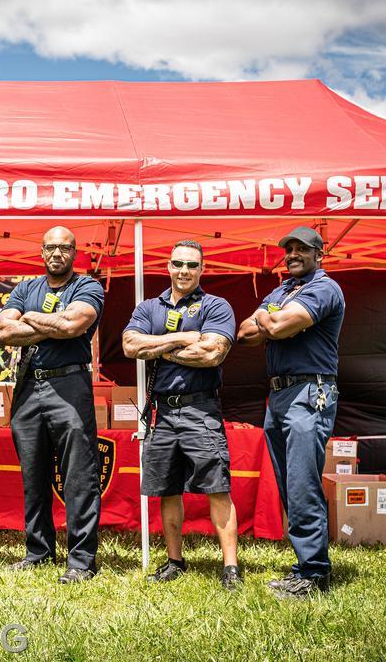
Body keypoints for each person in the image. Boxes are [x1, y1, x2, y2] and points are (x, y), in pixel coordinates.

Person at [122, 240, 242, 589]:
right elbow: (131, 345)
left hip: (200, 408)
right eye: (177, 264)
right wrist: (186, 337)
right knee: (167, 489)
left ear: (202, 269)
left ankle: (231, 568)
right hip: (162, 413)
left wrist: (160, 348)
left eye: (191, 265)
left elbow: (213, 354)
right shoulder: (148, 307)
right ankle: (175, 560)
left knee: (217, 487)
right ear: (168, 266)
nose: (184, 271)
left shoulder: (215, 305)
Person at [236, 226, 345, 599]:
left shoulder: (324, 288)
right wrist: (273, 318)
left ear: (319, 254)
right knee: (288, 483)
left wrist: (271, 319)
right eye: (290, 249)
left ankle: (314, 575)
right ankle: (303, 566)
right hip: (279, 395)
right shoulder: (282, 291)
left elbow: (276, 326)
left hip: (309, 391)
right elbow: (244, 332)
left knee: (302, 482)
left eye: (303, 249)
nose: (294, 254)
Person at [0, 226, 104, 584]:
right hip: (28, 385)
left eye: (65, 248)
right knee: (33, 473)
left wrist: (29, 318)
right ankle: (38, 551)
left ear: (75, 253)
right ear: (42, 252)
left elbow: (74, 324)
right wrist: (51, 325)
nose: (57, 253)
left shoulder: (87, 286)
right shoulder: (26, 288)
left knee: (79, 474)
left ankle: (81, 559)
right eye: (51, 247)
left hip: (69, 382)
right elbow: (2, 332)